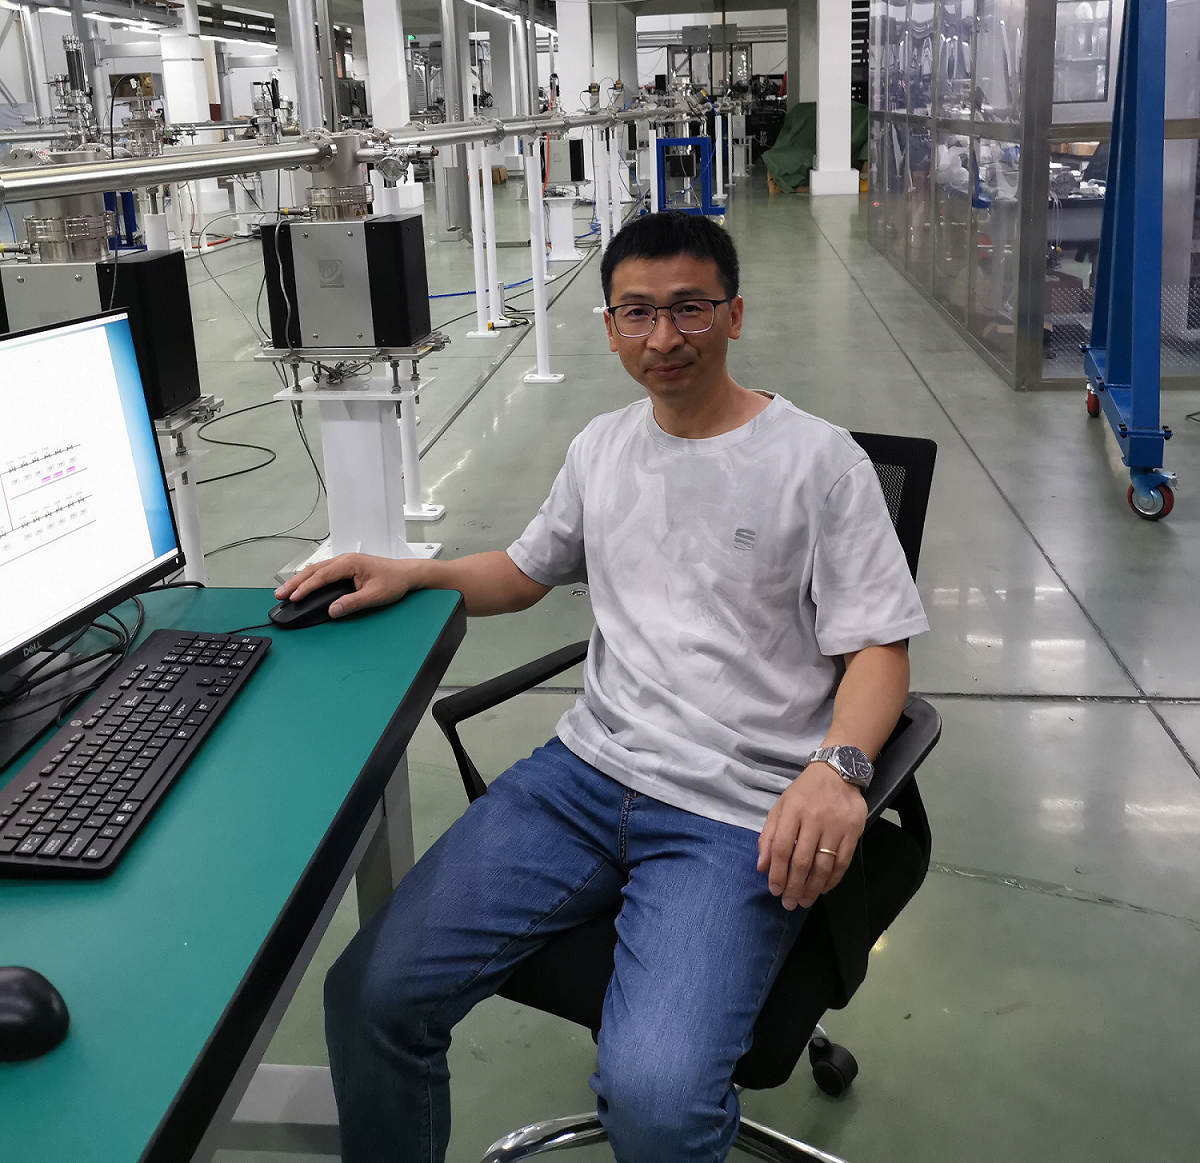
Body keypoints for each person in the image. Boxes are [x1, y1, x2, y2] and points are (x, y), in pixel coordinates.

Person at [277, 210, 930, 1163]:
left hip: (734, 811)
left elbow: (879, 649)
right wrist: (411, 572)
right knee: (371, 995)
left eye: (690, 308)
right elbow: (523, 572)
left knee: (656, 1104)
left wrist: (837, 770)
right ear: (612, 326)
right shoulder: (601, 446)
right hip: (580, 780)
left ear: (734, 313)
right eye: (638, 312)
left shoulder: (820, 463)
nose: (664, 336)